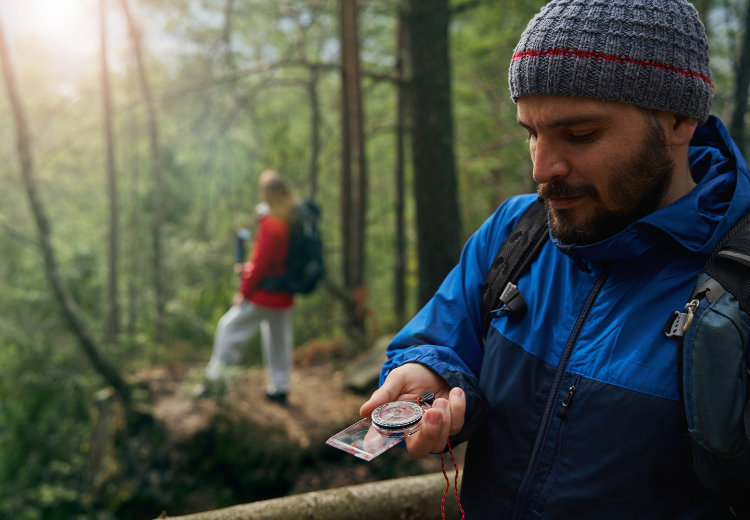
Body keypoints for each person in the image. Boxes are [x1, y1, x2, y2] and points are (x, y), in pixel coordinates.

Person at [360, 1, 750, 518]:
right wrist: (431, 375)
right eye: (531, 133)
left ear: (679, 120)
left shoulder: (738, 280)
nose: (543, 168)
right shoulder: (518, 232)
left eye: (580, 134)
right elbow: (440, 339)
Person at [205, 170, 295, 405]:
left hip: (265, 293)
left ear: (266, 193)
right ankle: (280, 389)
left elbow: (261, 264)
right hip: (284, 293)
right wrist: (250, 268)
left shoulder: (271, 224)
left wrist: (243, 291)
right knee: (278, 341)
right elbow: (276, 261)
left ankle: (217, 381)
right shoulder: (289, 220)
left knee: (228, 328)